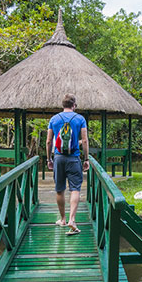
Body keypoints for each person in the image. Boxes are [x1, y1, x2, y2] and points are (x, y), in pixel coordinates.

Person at [46, 94, 89, 235]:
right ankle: (72, 219)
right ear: (74, 105)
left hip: (58, 157)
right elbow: (85, 140)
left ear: (62, 105)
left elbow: (48, 141)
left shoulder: (54, 119)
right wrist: (86, 159)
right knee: (75, 188)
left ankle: (63, 219)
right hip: (74, 158)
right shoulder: (80, 119)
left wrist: (49, 159)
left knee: (59, 189)